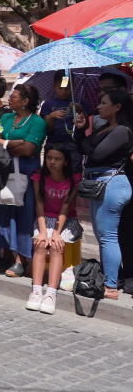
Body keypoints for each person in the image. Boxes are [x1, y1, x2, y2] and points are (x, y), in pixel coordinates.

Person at [75, 89, 133, 300]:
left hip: (111, 184)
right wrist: (81, 131)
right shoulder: (104, 128)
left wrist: (87, 141)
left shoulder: (122, 131)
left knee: (108, 236)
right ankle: (112, 278)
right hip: (99, 184)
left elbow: (97, 153)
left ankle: (110, 286)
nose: (98, 107)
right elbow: (83, 148)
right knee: (102, 235)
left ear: (117, 107)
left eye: (103, 103)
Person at [0, 84, 45, 278]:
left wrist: (4, 142)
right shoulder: (6, 118)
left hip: (26, 171)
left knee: (22, 213)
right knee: (3, 211)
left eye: (14, 96)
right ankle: (6, 254)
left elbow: (29, 150)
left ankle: (21, 258)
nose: (9, 99)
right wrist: (15, 143)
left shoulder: (37, 122)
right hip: (4, 169)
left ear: (25, 101)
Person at [26, 145, 81, 315]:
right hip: (44, 218)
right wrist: (43, 232)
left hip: (66, 219)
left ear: (65, 162)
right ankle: (36, 290)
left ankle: (51, 293)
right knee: (41, 245)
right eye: (49, 158)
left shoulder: (74, 179)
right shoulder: (39, 176)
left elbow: (66, 205)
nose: (52, 162)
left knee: (56, 247)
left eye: (57, 159)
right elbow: (39, 203)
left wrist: (56, 233)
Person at [40, 70, 80, 167]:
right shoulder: (48, 104)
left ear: (73, 86)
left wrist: (80, 110)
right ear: (54, 86)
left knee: (74, 169)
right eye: (60, 88)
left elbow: (85, 126)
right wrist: (51, 117)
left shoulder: (79, 102)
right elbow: (49, 129)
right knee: (52, 169)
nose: (63, 91)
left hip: (74, 143)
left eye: (67, 88)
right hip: (54, 143)